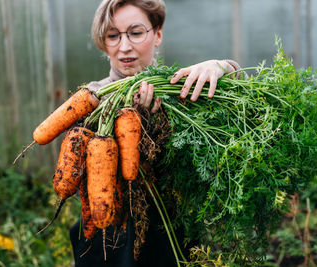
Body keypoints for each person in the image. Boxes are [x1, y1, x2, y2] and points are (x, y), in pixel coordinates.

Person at [69, 0, 244, 266]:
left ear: (158, 34)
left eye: (136, 33)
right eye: (113, 36)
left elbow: (242, 98)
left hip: (171, 238)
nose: (125, 46)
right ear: (104, 43)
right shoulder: (91, 100)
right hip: (107, 240)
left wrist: (223, 67)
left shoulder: (182, 88)